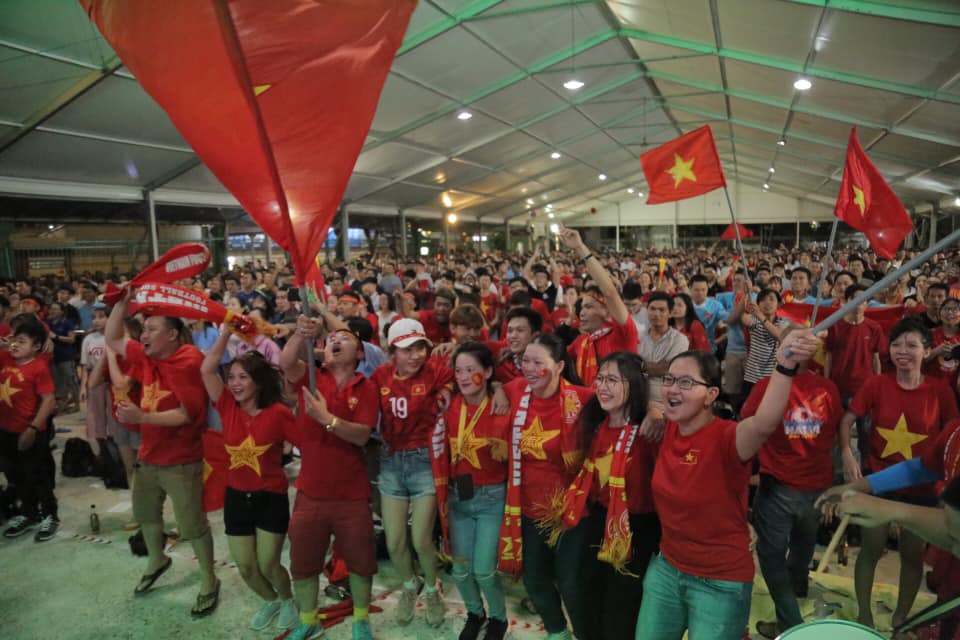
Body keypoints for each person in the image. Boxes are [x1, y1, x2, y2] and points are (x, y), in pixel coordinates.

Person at [635, 329, 820, 640]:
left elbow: (764, 423)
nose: (672, 389)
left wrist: (785, 364)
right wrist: (654, 410)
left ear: (711, 395)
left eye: (686, 382)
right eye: (669, 379)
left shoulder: (728, 438)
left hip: (719, 581)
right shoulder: (666, 430)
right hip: (666, 569)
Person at [837, 317, 959, 631]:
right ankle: (864, 614)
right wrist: (848, 452)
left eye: (911, 345)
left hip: (923, 487)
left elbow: (950, 437)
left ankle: (901, 618)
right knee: (871, 548)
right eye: (896, 344)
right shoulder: (876, 383)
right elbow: (848, 419)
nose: (902, 351)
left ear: (927, 350)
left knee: (911, 554)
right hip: (878, 479)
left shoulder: (940, 390)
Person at [104, 289, 219, 618]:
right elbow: (113, 339)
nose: (144, 334)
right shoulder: (147, 357)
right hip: (149, 456)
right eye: (144, 328)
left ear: (172, 334)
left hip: (181, 461)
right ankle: (158, 559)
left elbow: (188, 414)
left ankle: (210, 579)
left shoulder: (188, 360)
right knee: (146, 515)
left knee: (192, 526)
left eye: (153, 328)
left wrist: (142, 418)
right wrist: (121, 305)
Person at [280, 315, 381, 640]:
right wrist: (299, 332)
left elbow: (362, 435)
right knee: (303, 561)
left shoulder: (366, 388)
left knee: (360, 561)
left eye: (346, 338)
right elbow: (285, 362)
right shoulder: (311, 376)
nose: (336, 341)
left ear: (361, 354)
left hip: (351, 493)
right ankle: (309, 620)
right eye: (331, 337)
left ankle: (361, 619)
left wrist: (327, 419)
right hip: (310, 490)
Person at [199, 330, 299, 633]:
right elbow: (206, 368)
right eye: (232, 378)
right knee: (245, 566)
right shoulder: (226, 405)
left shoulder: (279, 413)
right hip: (236, 497)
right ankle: (270, 600)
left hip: (270, 496)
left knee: (268, 563)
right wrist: (226, 331)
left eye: (243, 378)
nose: (235, 384)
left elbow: (306, 443)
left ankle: (288, 599)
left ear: (258, 381)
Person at [740, 347, 843, 638]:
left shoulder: (766, 387)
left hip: (781, 488)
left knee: (771, 558)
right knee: (803, 545)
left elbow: (747, 427)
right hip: (816, 486)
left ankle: (790, 624)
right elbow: (834, 433)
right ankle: (797, 589)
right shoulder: (829, 388)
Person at [500, 332, 594, 640]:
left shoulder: (582, 398)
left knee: (571, 583)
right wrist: (494, 388)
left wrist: (656, 411)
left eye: (537, 362)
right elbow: (494, 382)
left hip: (572, 512)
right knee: (535, 579)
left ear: (559, 366)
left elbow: (623, 401)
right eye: (525, 360)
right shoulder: (515, 390)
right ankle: (557, 631)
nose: (528, 368)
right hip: (528, 509)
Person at [561, 352, 660, 640]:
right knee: (584, 592)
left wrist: (657, 410)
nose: (603, 386)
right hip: (598, 519)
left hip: (638, 529)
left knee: (622, 607)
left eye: (612, 380)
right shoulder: (594, 422)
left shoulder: (650, 429)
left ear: (634, 385)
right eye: (600, 378)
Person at [371, 318, 453, 627]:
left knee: (420, 539)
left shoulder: (436, 372)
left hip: (424, 463)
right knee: (393, 542)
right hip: (391, 463)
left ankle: (432, 589)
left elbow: (469, 368)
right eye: (407, 349)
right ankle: (409, 585)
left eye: (420, 347)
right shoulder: (379, 376)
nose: (416, 355)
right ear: (392, 351)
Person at [433, 343, 511, 640]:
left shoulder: (503, 404)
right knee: (460, 570)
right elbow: (428, 374)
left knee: (484, 571)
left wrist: (501, 387)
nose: (463, 377)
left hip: (492, 499)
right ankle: (474, 612)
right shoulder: (450, 402)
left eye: (471, 370)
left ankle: (499, 618)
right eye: (459, 371)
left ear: (488, 372)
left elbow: (523, 382)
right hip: (458, 499)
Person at [0, 318, 58, 541]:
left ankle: (50, 515)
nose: (15, 345)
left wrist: (32, 429)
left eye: (21, 341)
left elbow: (49, 401)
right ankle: (29, 513)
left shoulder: (38, 367)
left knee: (39, 476)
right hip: (6, 431)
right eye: (14, 340)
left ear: (36, 346)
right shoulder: (5, 358)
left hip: (31, 431)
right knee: (16, 475)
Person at [559, 226, 639, 387]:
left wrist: (580, 248)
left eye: (589, 307)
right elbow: (554, 356)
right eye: (582, 308)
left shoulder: (623, 333)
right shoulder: (582, 341)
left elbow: (609, 292)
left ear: (607, 310)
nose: (582, 312)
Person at [638, 292, 689, 407]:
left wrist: (639, 366)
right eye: (652, 309)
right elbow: (629, 366)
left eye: (662, 310)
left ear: (670, 313)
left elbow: (671, 369)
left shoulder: (679, 339)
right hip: (638, 397)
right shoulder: (638, 337)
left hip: (665, 400)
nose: (656, 314)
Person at [494, 307, 542, 383]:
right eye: (510, 330)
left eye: (520, 330)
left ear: (535, 335)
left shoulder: (547, 367)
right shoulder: (501, 366)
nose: (513, 336)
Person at [689, 275, 729, 352]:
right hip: (688, 350)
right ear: (690, 289)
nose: (700, 293)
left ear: (708, 288)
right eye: (696, 290)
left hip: (709, 350)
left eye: (703, 290)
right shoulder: (685, 305)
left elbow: (727, 318)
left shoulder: (716, 305)